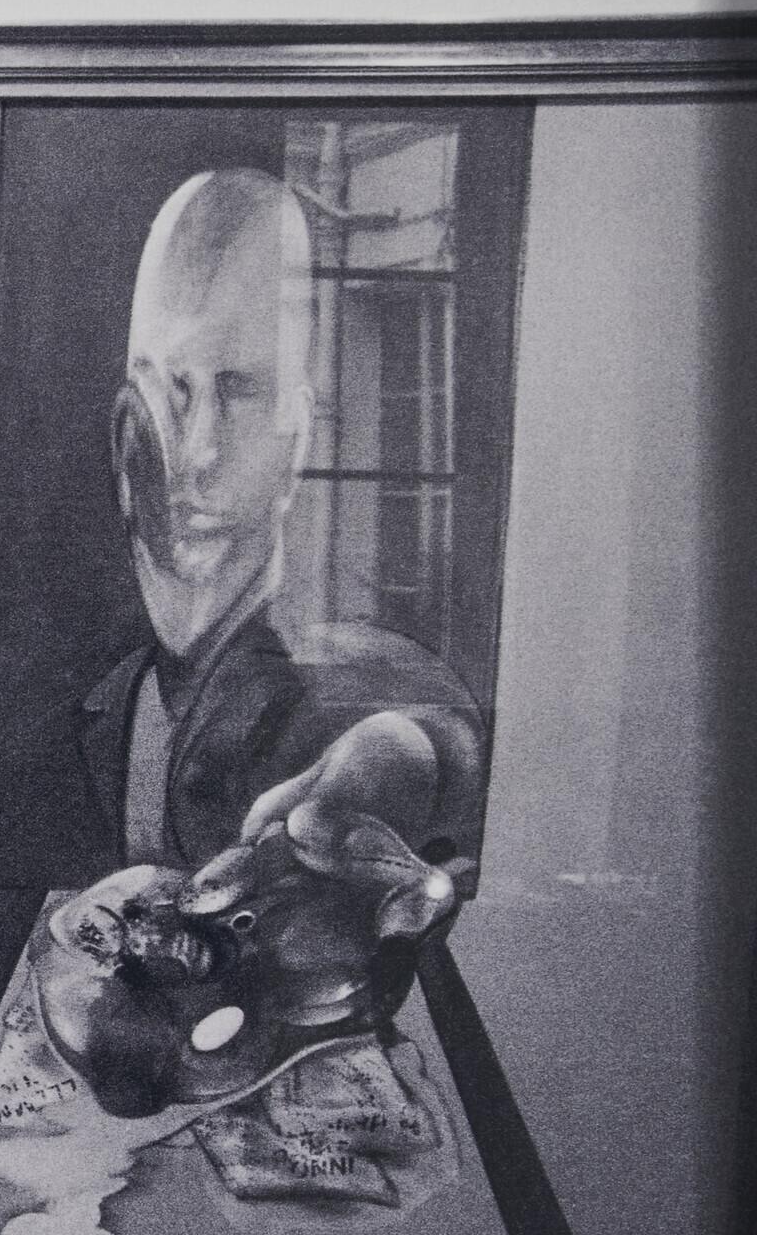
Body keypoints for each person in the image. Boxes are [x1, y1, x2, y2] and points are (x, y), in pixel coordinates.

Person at [76, 167, 485, 878]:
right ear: (123, 438)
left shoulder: (333, 690)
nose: (196, 454)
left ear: (296, 445)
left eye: (240, 392)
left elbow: (421, 730)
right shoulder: (101, 710)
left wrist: (408, 756)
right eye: (171, 392)